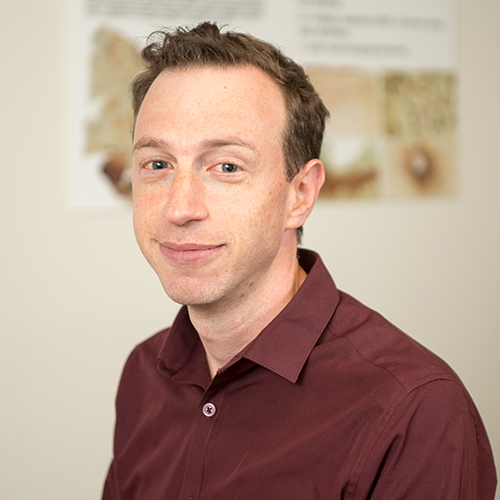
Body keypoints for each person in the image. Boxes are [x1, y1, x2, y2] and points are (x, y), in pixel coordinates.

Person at [102, 22, 497, 500]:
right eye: (158, 165)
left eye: (227, 167)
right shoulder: (144, 373)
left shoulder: (414, 409)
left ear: (300, 194)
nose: (180, 208)